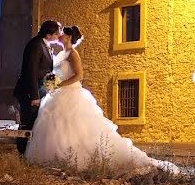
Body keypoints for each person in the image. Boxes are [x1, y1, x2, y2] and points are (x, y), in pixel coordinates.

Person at [24, 26, 179, 175]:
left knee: (76, 128)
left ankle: (77, 159)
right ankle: (55, 158)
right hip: (57, 94)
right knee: (55, 127)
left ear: (69, 37)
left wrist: (60, 85)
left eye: (62, 33)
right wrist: (51, 86)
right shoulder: (60, 54)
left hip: (70, 93)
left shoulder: (73, 54)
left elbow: (79, 75)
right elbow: (55, 73)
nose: (59, 36)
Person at [13, 20, 63, 154]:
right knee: (27, 124)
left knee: (35, 123)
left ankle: (30, 154)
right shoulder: (36, 45)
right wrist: (34, 96)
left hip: (41, 89)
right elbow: (31, 71)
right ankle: (22, 155)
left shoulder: (44, 45)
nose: (60, 35)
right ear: (49, 34)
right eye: (58, 32)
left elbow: (45, 70)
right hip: (30, 93)